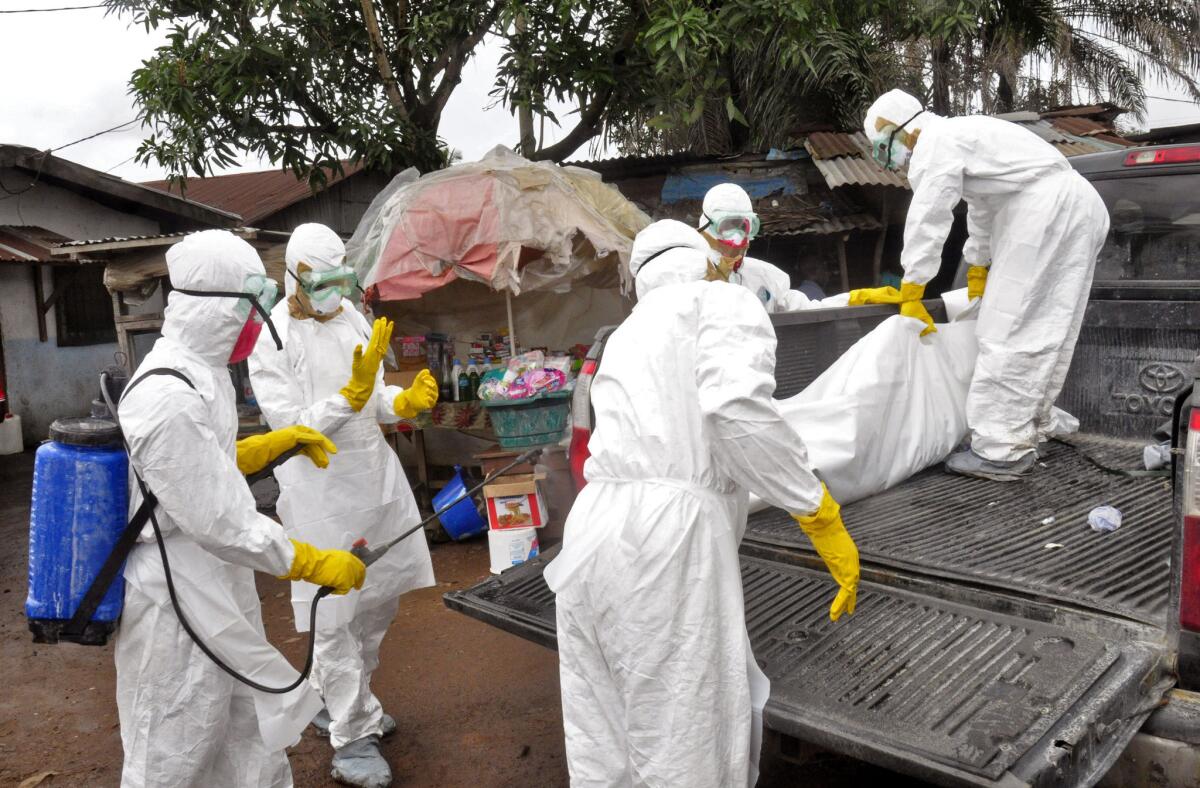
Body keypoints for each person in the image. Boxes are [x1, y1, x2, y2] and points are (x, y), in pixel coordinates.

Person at [545, 219, 860, 787]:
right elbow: (737, 412)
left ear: (640, 280)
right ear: (706, 260)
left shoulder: (625, 333)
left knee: (601, 728)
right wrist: (815, 507)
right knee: (684, 732)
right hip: (668, 542)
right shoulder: (719, 303)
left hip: (593, 533)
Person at [116, 230, 366, 787]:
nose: (258, 322)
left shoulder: (201, 373)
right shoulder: (165, 396)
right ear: (212, 311)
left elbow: (208, 464)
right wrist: (311, 562)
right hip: (176, 595)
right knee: (176, 746)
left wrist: (278, 441)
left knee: (249, 730)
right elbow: (220, 522)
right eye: (248, 308)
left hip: (216, 581)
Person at [248, 222, 438, 788]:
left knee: (378, 600)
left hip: (374, 479)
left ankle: (346, 698)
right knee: (332, 615)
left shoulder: (355, 317)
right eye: (322, 281)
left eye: (341, 279)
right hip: (318, 486)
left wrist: (398, 400)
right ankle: (352, 736)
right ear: (296, 276)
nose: (335, 291)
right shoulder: (273, 336)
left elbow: (373, 397)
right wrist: (348, 399)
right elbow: (289, 427)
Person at [850, 88, 1109, 481]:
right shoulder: (966, 135)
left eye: (885, 147)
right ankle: (1030, 426)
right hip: (1079, 205)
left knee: (1007, 330)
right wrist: (977, 267)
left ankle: (1000, 449)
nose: (891, 160)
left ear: (898, 130)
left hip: (1046, 211)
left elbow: (929, 216)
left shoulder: (935, 143)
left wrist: (913, 286)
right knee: (1049, 325)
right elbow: (983, 208)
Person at [698, 182, 820, 312]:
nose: (737, 236)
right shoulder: (691, 273)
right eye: (727, 226)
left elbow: (806, 310)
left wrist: (843, 301)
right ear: (707, 227)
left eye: (743, 226)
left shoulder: (765, 276)